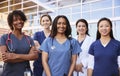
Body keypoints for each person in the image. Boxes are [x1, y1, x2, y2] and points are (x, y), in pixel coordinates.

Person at [0, 10, 38, 76]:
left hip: (26, 73)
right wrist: (28, 56)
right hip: (9, 73)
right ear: (11, 23)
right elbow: (5, 59)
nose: (19, 22)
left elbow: (35, 56)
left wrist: (14, 56)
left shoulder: (29, 39)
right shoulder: (4, 38)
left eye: (21, 19)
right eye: (15, 20)